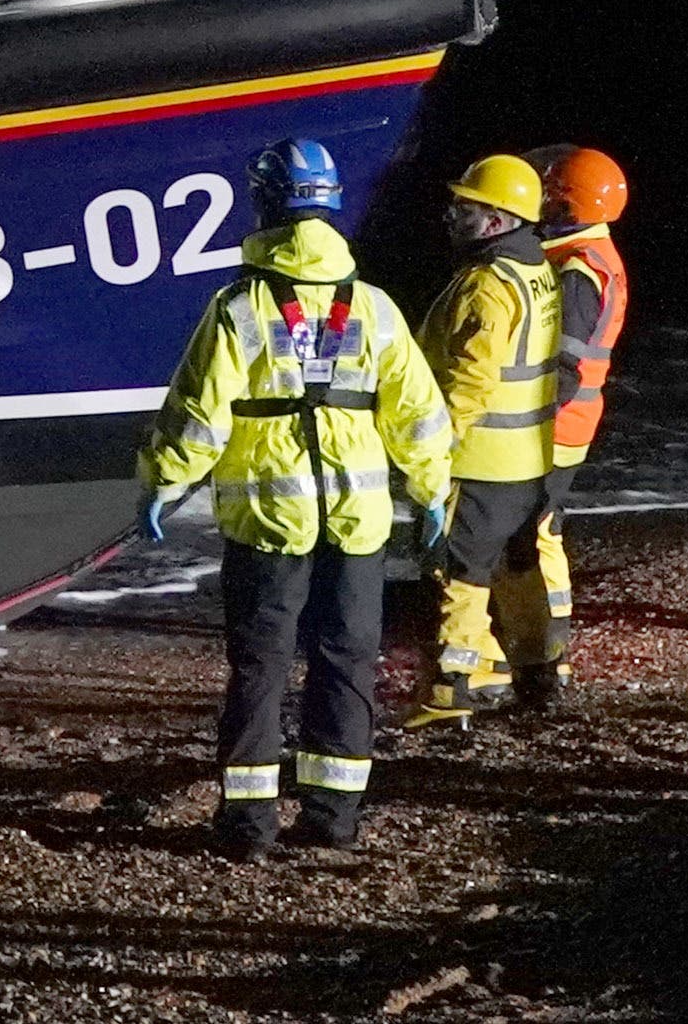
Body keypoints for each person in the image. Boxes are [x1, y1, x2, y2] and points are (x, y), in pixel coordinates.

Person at [135, 137, 452, 855]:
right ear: (331, 207)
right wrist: (433, 491)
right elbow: (420, 413)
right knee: (347, 664)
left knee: (259, 669)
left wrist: (164, 482)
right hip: (358, 522)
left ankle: (248, 825)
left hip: (266, 523)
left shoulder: (238, 308)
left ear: (265, 205)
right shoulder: (374, 309)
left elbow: (198, 414)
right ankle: (334, 820)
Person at [412, 153, 566, 728]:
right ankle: (538, 673)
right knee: (519, 567)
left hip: (480, 460)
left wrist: (429, 449)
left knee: (459, 575)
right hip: (529, 460)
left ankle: (450, 688)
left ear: (499, 221)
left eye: (467, 208)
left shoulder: (486, 285)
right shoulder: (536, 270)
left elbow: (470, 380)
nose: (453, 215)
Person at [514, 145, 630, 710]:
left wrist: (526, 418)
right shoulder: (595, 254)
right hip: (576, 418)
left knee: (536, 532)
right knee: (544, 528)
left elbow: (566, 358)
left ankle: (544, 649)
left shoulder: (576, 269)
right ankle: (544, 644)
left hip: (557, 424)